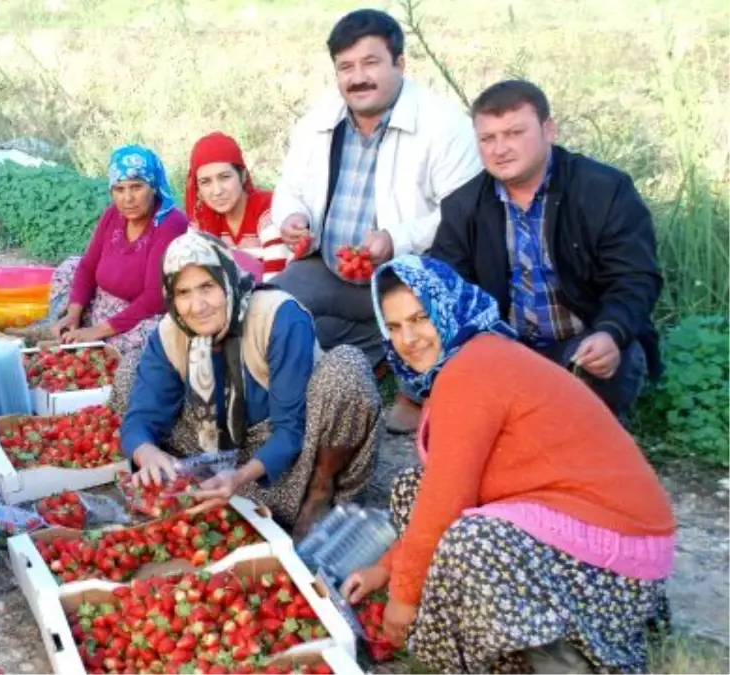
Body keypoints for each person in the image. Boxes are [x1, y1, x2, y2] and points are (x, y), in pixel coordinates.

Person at [341, 255, 674, 673]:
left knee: (472, 541)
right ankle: (510, 640)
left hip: (617, 566)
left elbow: (448, 501)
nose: (408, 338)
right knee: (413, 487)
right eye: (393, 327)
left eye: (420, 318)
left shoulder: (473, 368)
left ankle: (562, 660)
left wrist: (403, 600)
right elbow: (439, 491)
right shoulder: (467, 360)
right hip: (575, 526)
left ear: (448, 306)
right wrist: (382, 570)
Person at [269, 9, 481, 433]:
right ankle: (373, 345)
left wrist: (396, 238)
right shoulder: (318, 122)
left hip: (405, 273)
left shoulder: (444, 126)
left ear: (399, 64)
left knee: (423, 300)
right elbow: (289, 188)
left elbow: (463, 213)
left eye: (370, 63)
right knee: (270, 305)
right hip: (330, 266)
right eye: (346, 67)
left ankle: (416, 388)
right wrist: (293, 217)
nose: (358, 78)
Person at [113, 231, 381, 535]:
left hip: (289, 451)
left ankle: (318, 494)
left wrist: (240, 477)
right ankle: (195, 488)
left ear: (228, 280)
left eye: (207, 287)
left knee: (346, 369)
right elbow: (141, 417)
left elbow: (290, 430)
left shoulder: (278, 317)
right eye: (182, 293)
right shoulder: (171, 332)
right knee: (130, 369)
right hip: (215, 442)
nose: (197, 306)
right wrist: (145, 451)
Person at [430, 80, 662, 422]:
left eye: (514, 133)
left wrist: (611, 331)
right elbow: (446, 286)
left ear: (548, 130)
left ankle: (596, 449)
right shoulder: (463, 205)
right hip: (504, 347)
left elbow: (635, 277)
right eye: (488, 138)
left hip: (582, 340)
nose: (500, 149)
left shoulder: (604, 190)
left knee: (591, 392)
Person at [49, 144, 188, 359]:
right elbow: (88, 266)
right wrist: (73, 313)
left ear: (153, 186)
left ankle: (88, 340)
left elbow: (155, 297)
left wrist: (98, 331)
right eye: (119, 189)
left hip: (145, 314)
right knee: (70, 267)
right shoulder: (113, 215)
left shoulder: (169, 224)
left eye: (137, 187)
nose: (128, 198)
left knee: (146, 339)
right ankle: (67, 326)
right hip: (104, 302)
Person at [185, 131, 288, 281]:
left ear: (243, 176)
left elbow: (276, 277)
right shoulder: (202, 220)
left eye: (225, 177)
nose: (217, 191)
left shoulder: (267, 209)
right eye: (205, 182)